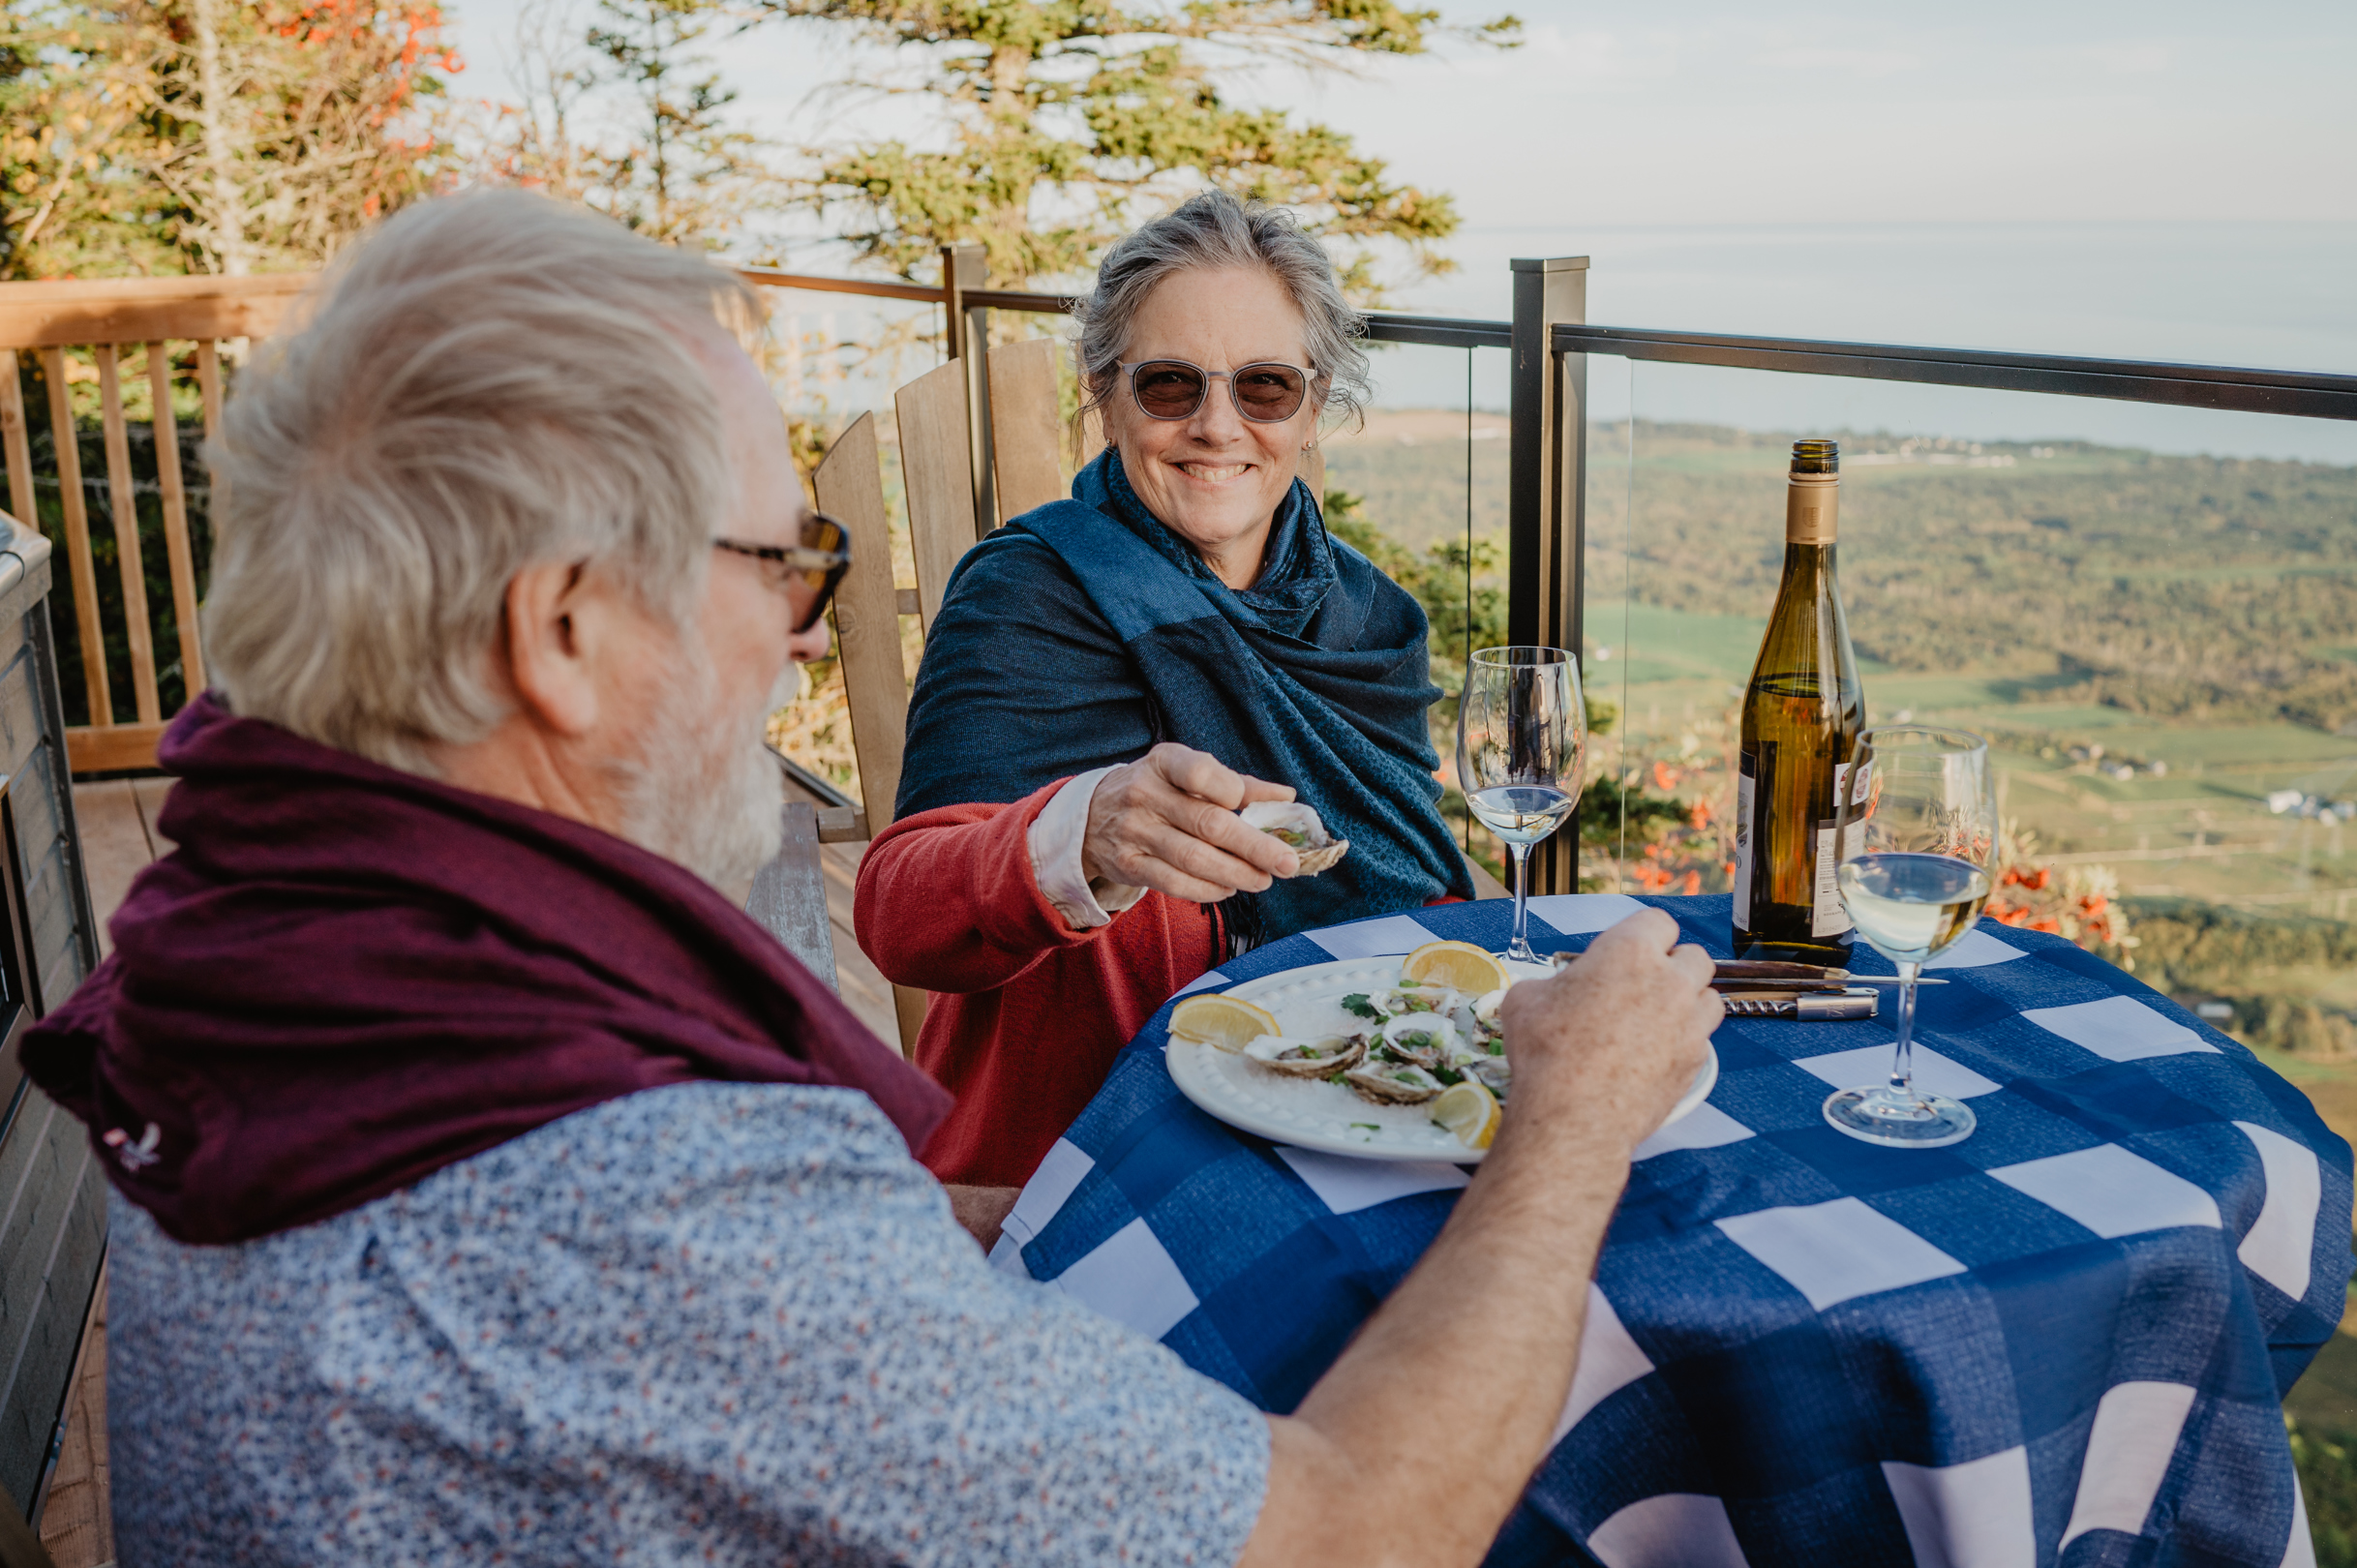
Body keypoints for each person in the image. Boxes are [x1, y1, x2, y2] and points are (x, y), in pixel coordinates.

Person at [23, 189, 1722, 1567]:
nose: (802, 635)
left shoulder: (254, 950)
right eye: (784, 563)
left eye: (1266, 387)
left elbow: (764, 1289)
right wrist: (1572, 1122)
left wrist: (1009, 1218)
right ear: (561, 630)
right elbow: (1352, 1539)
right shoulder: (664, 1203)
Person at [858, 189, 1473, 1192]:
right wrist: (1080, 835)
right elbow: (898, 916)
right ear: (1105, 395)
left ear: (1313, 405)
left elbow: (1406, 881)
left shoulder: (1371, 618)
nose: (1216, 426)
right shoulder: (1025, 595)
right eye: (1169, 385)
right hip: (1076, 1161)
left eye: (1264, 386)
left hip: (1342, 1128)